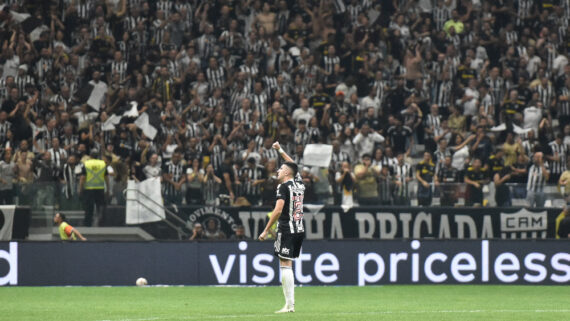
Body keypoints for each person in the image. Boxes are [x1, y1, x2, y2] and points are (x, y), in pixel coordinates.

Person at [259, 141, 305, 314]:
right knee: (288, 265)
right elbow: (292, 165)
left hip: (286, 229)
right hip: (299, 229)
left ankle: (289, 305)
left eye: (280, 169)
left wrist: (265, 230)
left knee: (285, 265)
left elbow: (278, 210)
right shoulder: (299, 183)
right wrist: (280, 150)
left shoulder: (283, 186)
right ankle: (289, 305)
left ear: (286, 173)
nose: (277, 171)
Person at [79, 150, 109, 226]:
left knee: (89, 209)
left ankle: (88, 225)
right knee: (101, 208)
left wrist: (80, 189)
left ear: (90, 156)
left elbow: (82, 178)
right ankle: (102, 224)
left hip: (89, 189)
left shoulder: (86, 164)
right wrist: (108, 189)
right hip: (100, 189)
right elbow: (106, 178)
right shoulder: (103, 164)